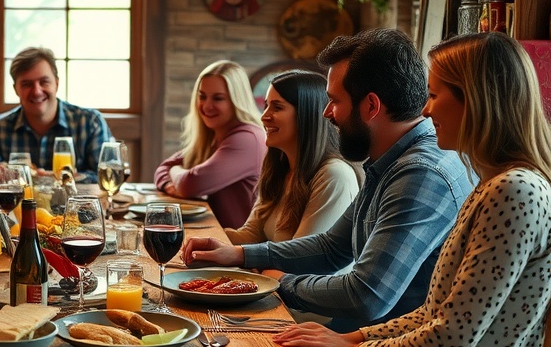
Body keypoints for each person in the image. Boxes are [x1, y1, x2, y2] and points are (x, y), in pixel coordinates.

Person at [273, 31, 551, 347]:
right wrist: (351, 340)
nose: (425, 109)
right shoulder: (494, 182)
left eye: (435, 95)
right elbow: (435, 314)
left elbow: (449, 339)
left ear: (477, 101)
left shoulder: (513, 191)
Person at [183, 29, 473, 331]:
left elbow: (366, 296)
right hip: (356, 338)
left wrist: (277, 283)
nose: (326, 112)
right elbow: (333, 247)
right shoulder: (392, 159)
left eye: (334, 100)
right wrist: (240, 255)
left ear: (371, 106)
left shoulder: (420, 174)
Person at [226, 70, 360, 244]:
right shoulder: (281, 168)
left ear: (307, 114)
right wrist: (199, 239)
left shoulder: (334, 176)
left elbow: (300, 261)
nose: (264, 116)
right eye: (266, 105)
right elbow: (250, 235)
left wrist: (251, 263)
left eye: (277, 107)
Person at [154, 60, 267, 228]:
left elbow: (190, 183)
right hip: (219, 237)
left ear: (237, 100)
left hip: (242, 247)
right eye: (202, 96)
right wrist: (171, 185)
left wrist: (176, 172)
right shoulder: (216, 134)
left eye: (218, 98)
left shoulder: (247, 138)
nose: (207, 106)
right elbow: (163, 168)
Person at [0, 47, 112, 183]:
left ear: (57, 84)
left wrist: (61, 179)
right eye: (27, 84)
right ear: (16, 89)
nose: (36, 91)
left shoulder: (90, 122)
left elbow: (106, 178)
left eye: (44, 82)